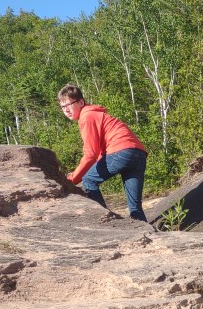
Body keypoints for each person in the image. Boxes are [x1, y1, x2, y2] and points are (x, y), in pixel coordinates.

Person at [58, 83, 148, 221]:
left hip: (121, 151)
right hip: (138, 153)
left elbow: (90, 155)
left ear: (81, 102)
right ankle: (144, 229)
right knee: (135, 207)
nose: (66, 110)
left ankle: (104, 220)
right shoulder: (96, 115)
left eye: (69, 105)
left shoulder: (86, 117)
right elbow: (99, 154)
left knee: (88, 180)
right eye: (62, 107)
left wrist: (73, 178)